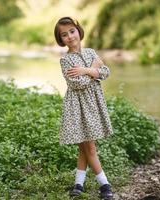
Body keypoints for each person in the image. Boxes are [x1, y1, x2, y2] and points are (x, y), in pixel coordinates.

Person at [54, 16, 114, 199]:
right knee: (90, 148)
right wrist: (93, 70)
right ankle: (105, 185)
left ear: (78, 31)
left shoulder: (90, 52)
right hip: (77, 108)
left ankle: (78, 185)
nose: (70, 37)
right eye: (64, 35)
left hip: (93, 105)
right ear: (61, 40)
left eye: (72, 31)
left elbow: (105, 72)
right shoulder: (66, 61)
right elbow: (77, 83)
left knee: (85, 149)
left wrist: (87, 70)